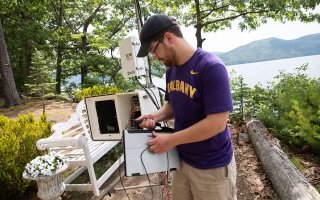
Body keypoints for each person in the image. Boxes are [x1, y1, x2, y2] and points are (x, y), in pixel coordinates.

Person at [136, 14, 237, 200]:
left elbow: (217, 123)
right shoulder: (171, 70)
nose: (155, 57)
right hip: (182, 161)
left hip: (211, 166)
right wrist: (155, 116)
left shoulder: (211, 67)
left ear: (168, 38)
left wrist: (171, 140)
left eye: (153, 50)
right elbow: (173, 105)